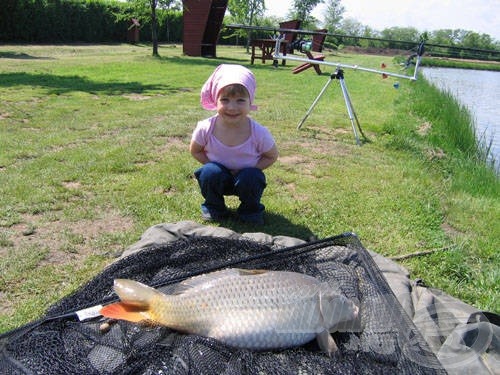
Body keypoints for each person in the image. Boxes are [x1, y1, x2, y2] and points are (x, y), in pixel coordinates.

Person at [190, 64, 278, 224]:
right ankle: (214, 208)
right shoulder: (205, 128)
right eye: (225, 100)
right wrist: (213, 166)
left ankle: (250, 211)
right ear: (215, 100)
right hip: (218, 178)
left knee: (253, 177)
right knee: (209, 172)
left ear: (250, 101)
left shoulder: (258, 132)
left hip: (245, 179)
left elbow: (272, 155)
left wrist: (249, 170)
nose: (232, 107)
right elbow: (195, 150)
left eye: (240, 100)